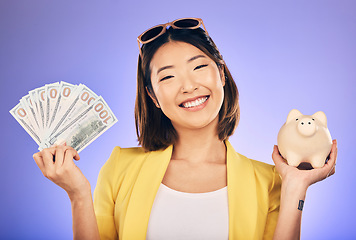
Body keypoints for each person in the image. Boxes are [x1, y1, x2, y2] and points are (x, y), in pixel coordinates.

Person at [33, 17, 338, 240]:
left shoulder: (269, 180)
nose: (189, 86)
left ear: (221, 74)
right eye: (168, 77)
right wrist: (78, 194)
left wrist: (296, 188)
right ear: (152, 96)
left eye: (198, 67)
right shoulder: (120, 166)